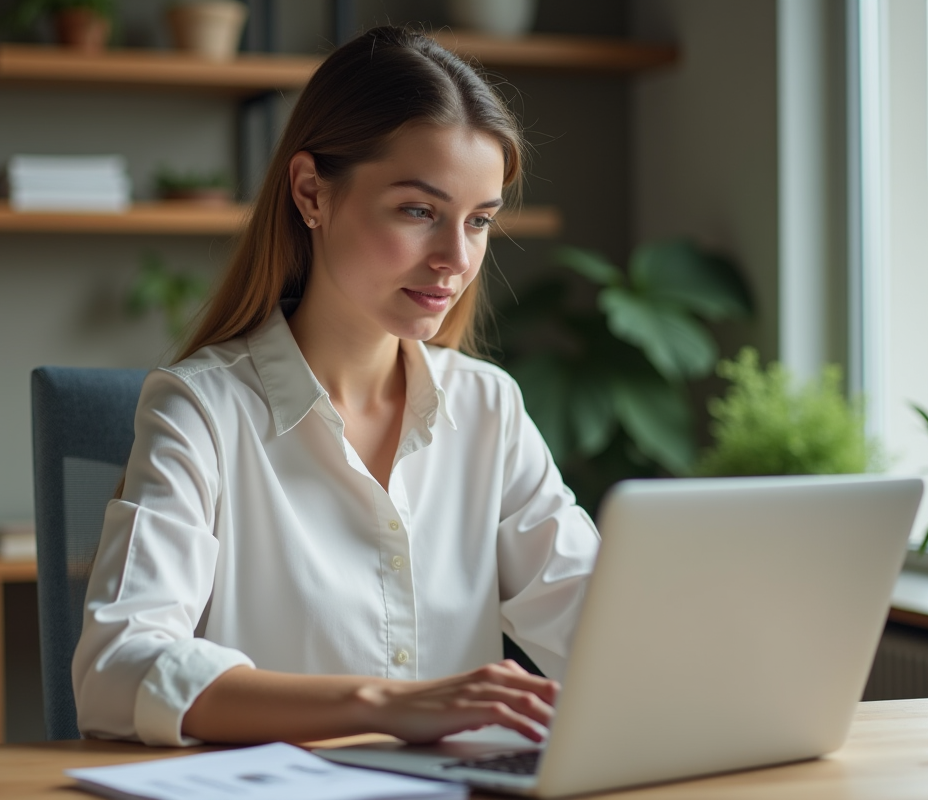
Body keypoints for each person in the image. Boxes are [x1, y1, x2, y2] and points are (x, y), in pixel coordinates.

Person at [72, 25, 600, 748]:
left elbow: (607, 633)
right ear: (311, 191)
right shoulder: (201, 409)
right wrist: (383, 704)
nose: (455, 258)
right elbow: (117, 669)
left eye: (478, 221)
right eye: (419, 211)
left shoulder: (488, 408)